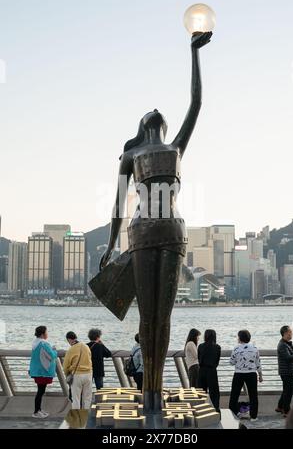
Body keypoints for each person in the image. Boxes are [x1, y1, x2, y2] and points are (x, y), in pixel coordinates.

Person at [99, 31, 213, 412]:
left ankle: (156, 386)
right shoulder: (131, 156)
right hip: (143, 233)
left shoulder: (175, 146)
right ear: (143, 124)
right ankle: (149, 389)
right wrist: (111, 246)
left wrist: (193, 52)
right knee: (147, 316)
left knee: (163, 317)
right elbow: (117, 205)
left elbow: (197, 103)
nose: (154, 109)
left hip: (173, 233)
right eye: (148, 110)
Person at [229, 330, 263, 422]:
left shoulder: (236, 349)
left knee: (234, 395)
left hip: (239, 374)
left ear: (240, 338)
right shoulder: (255, 348)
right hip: (251, 374)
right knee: (253, 395)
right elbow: (258, 363)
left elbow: (231, 362)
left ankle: (233, 413)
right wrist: (260, 375)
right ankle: (253, 417)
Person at [29, 325, 57, 419]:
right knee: (40, 391)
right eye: (46, 332)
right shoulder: (44, 344)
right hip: (43, 371)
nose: (47, 334)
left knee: (40, 391)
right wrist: (54, 350)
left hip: (37, 371)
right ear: (42, 334)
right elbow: (51, 356)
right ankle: (36, 411)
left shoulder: (35, 343)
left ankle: (39, 410)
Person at [63, 331, 93, 409]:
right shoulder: (86, 346)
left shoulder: (71, 349)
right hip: (88, 374)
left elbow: (65, 366)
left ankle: (77, 418)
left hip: (77, 375)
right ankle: (86, 415)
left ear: (69, 339)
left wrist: (68, 374)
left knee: (76, 398)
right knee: (87, 397)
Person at [276, 325, 293, 417]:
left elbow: (291, 354)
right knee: (288, 392)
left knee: (286, 390)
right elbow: (289, 358)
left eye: (291, 332)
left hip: (288, 371)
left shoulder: (286, 343)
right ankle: (287, 411)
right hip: (286, 371)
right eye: (290, 332)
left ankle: (280, 406)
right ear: (285, 333)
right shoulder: (282, 345)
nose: (291, 334)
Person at [198, 329, 221, 412]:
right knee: (214, 392)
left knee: (201, 391)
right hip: (212, 370)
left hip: (202, 370)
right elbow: (217, 361)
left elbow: (199, 359)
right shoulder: (217, 347)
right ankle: (215, 408)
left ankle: (201, 408)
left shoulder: (201, 346)